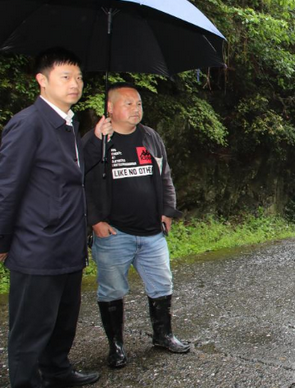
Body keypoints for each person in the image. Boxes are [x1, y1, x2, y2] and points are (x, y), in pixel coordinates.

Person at [0, 48, 109, 388]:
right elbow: (7, 188)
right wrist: (2, 241)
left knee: (63, 321)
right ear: (42, 81)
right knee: (31, 328)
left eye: (79, 77)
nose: (75, 84)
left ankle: (57, 371)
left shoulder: (68, 123)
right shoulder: (28, 124)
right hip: (38, 247)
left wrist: (95, 140)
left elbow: (70, 175)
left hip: (68, 244)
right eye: (65, 77)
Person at [82, 83, 188, 369]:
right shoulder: (96, 140)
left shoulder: (150, 137)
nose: (135, 109)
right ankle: (116, 346)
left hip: (152, 231)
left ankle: (163, 335)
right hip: (114, 233)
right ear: (109, 108)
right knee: (112, 290)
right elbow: (80, 182)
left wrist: (167, 211)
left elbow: (165, 176)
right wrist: (95, 221)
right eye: (127, 103)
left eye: (138, 103)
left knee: (162, 284)